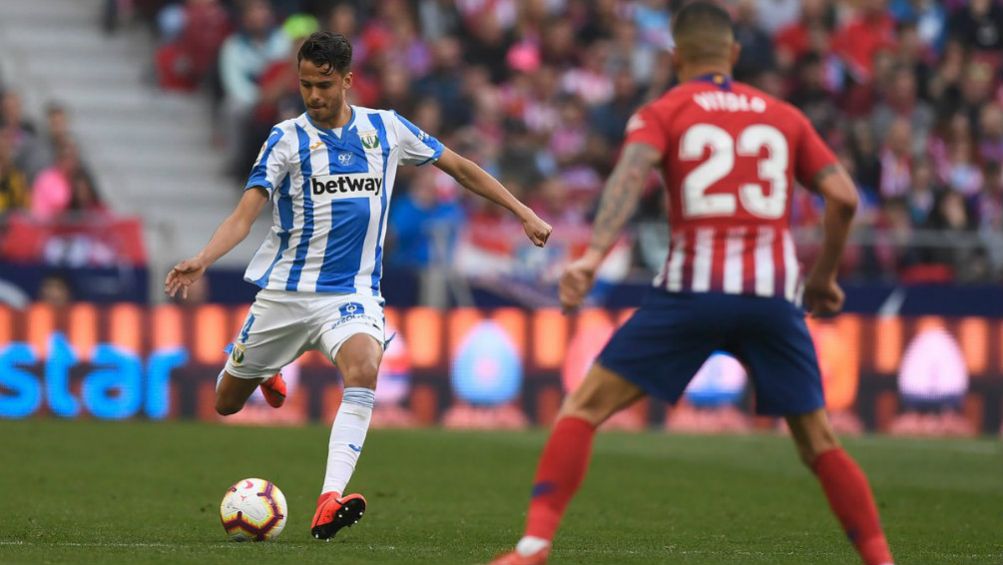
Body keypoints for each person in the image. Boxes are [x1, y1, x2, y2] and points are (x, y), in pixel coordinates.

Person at [490, 4, 893, 565]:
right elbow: (845, 198)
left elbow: (630, 177)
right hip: (773, 300)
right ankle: (881, 559)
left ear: (676, 56)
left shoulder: (666, 109)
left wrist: (592, 257)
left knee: (583, 408)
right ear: (734, 54)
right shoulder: (785, 116)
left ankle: (533, 547)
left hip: (691, 294)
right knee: (819, 442)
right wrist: (822, 279)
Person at [165, 31, 551, 541]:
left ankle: (329, 499)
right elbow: (245, 215)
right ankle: (259, 366)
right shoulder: (286, 139)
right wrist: (203, 259)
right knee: (226, 403)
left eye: (323, 85)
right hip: (286, 294)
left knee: (365, 366)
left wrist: (522, 212)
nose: (314, 96)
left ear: (347, 81)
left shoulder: (386, 130)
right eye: (305, 85)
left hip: (352, 295)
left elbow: (458, 167)